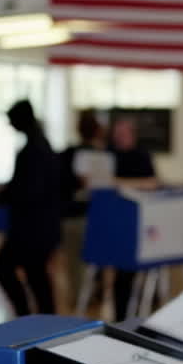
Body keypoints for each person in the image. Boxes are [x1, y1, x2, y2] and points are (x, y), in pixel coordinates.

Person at [0, 100, 62, 316]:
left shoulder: (33, 150)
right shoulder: (41, 145)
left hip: (31, 229)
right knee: (36, 275)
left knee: (5, 268)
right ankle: (42, 321)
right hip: (41, 227)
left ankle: (27, 316)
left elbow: (27, 190)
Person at [110, 117, 158, 319]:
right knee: (122, 277)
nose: (120, 138)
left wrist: (119, 183)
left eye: (124, 134)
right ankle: (121, 318)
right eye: (117, 134)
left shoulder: (141, 155)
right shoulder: (108, 155)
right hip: (115, 224)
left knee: (144, 276)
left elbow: (152, 183)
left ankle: (145, 315)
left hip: (140, 223)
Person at [58, 110, 108, 301]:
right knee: (96, 262)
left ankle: (79, 300)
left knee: (75, 264)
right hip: (94, 216)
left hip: (73, 217)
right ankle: (91, 298)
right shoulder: (102, 155)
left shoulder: (68, 154)